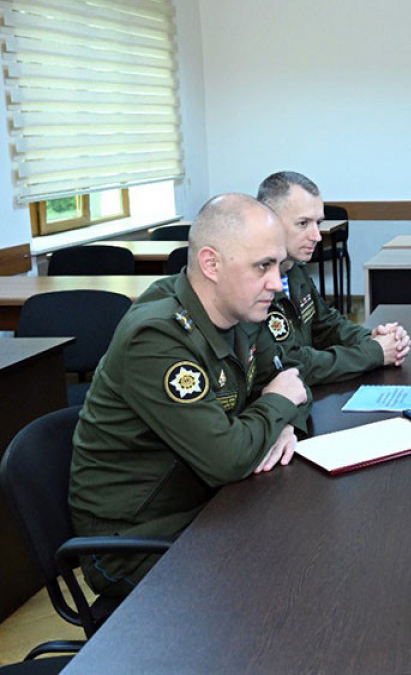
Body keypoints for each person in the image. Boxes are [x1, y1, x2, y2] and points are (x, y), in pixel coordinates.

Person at [69, 194, 312, 597]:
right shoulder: (156, 336)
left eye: (279, 264)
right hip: (137, 540)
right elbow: (227, 458)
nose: (276, 282)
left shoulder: (241, 309)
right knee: (286, 579)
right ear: (211, 264)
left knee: (306, 542)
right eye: (263, 266)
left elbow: (292, 380)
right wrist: (279, 405)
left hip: (209, 502)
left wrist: (284, 423)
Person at [256, 171, 411, 384]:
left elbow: (326, 325)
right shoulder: (254, 284)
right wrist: (373, 352)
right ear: (269, 221)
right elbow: (292, 363)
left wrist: (372, 338)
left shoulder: (294, 270)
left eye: (318, 223)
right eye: (303, 223)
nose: (317, 236)